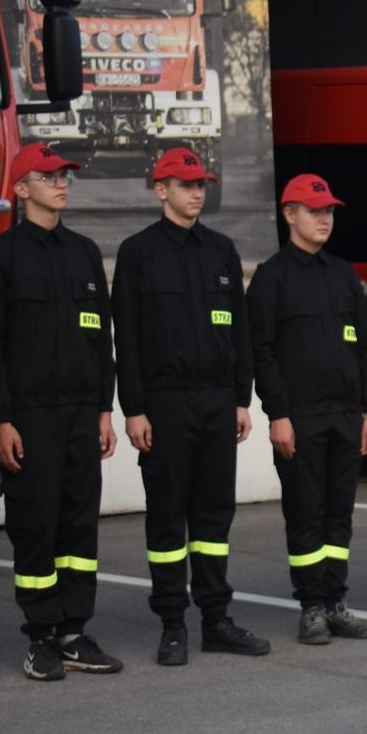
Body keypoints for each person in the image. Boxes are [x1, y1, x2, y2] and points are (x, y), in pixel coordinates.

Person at [112, 146, 268, 665]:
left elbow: (240, 331)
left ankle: (217, 620)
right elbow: (127, 339)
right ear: (161, 190)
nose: (197, 192)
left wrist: (240, 400)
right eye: (186, 184)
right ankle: (172, 623)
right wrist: (134, 408)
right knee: (167, 520)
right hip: (165, 404)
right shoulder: (138, 253)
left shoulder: (221, 250)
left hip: (217, 403)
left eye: (201, 184)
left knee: (214, 518)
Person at [0, 143, 122, 680]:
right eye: (48, 176)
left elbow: (100, 340)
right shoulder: (3, 256)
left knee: (77, 525)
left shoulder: (85, 252)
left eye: (64, 175)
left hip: (79, 414)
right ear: (21, 190)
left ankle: (74, 631)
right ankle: (41, 637)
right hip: (28, 416)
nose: (61, 183)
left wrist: (103, 409)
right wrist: (2, 418)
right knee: (35, 525)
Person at [248, 174, 367, 644]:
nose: (325, 219)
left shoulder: (343, 274)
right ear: (289, 215)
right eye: (314, 211)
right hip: (299, 418)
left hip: (346, 415)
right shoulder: (271, 277)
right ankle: (311, 607)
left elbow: (366, 345)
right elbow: (260, 351)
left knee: (338, 514)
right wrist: (277, 413)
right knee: (305, 512)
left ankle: (336, 601)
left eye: (329, 212)